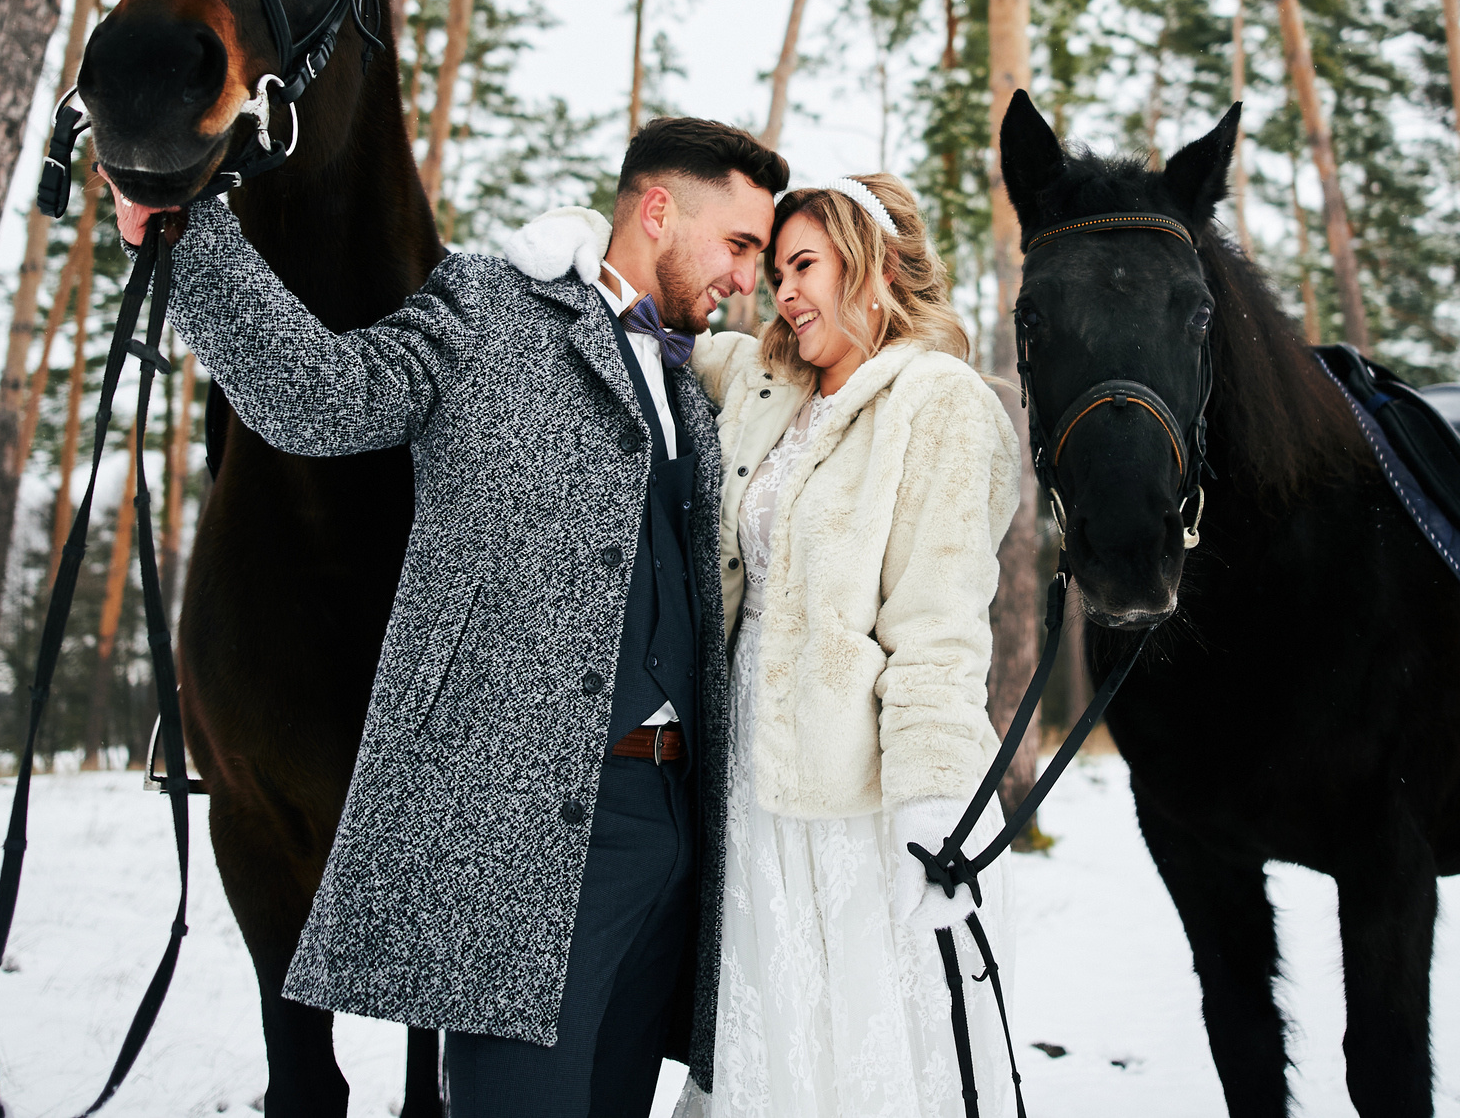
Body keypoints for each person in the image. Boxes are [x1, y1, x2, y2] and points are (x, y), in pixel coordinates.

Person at [108, 116, 784, 1118]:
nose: (749, 277)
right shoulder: (488, 305)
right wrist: (186, 237)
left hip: (672, 833)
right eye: (739, 244)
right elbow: (321, 396)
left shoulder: (688, 382)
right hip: (528, 841)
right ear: (656, 209)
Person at [504, 172, 1020, 1118]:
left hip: (854, 807)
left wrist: (936, 801)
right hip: (744, 792)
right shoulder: (762, 382)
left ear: (871, 268)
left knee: (849, 1049)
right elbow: (643, 331)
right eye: (775, 269)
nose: (781, 291)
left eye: (805, 266)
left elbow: (939, 628)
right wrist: (591, 243)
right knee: (764, 1048)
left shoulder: (936, 400)